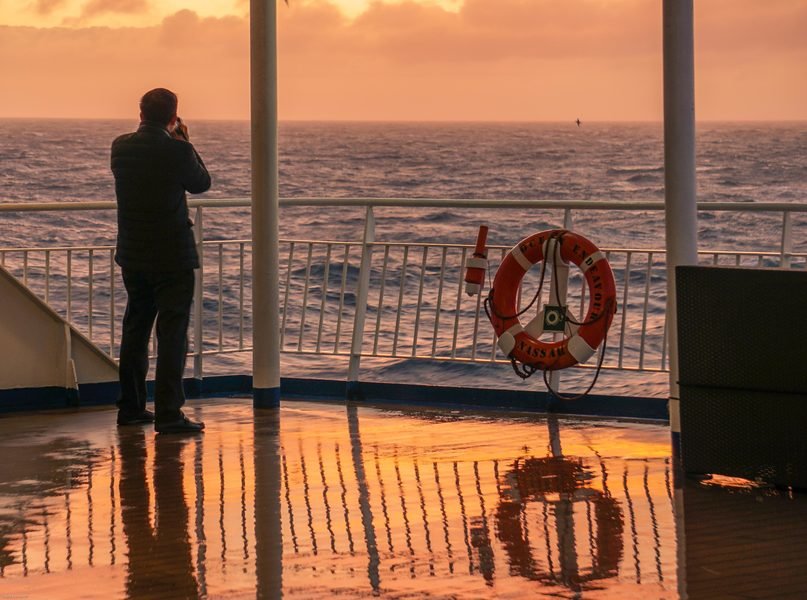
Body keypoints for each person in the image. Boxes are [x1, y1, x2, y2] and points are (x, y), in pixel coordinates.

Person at [112, 88, 210, 433]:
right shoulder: (178, 150)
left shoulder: (120, 147)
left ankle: (131, 408)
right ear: (173, 117)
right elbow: (201, 183)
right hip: (172, 257)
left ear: (140, 114)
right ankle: (169, 413)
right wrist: (185, 141)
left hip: (133, 254)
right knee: (172, 334)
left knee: (135, 330)